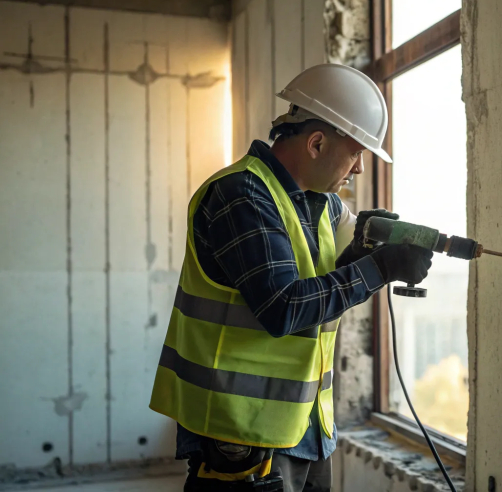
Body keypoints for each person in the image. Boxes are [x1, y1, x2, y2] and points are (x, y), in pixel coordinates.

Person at [148, 64, 433, 491]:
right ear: (317, 142)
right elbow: (283, 307)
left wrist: (356, 256)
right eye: (356, 153)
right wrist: (380, 268)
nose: (358, 169)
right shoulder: (241, 195)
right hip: (239, 435)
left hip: (306, 428)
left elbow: (316, 291)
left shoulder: (323, 206)